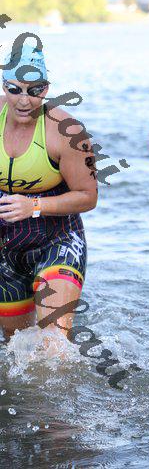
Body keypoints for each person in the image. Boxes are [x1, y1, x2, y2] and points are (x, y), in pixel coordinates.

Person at [0, 43, 97, 344]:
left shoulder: (68, 131)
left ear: (46, 88)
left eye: (34, 90)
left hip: (58, 238)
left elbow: (88, 196)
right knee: (15, 347)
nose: (24, 100)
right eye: (14, 89)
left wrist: (34, 206)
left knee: (54, 342)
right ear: (4, 85)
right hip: (6, 246)